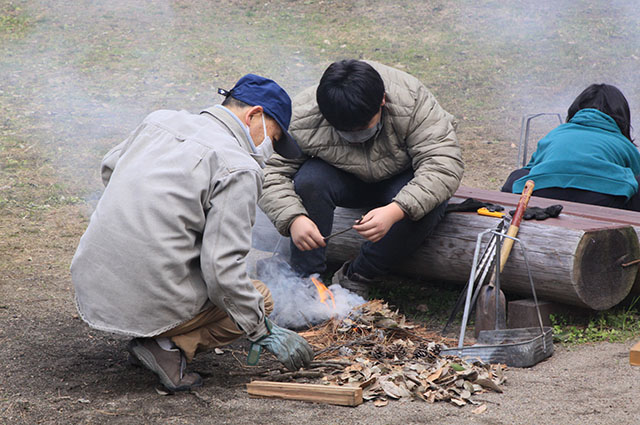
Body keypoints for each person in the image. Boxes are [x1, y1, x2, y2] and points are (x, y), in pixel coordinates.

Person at [71, 74, 314, 392]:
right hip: (146, 295)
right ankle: (167, 347)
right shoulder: (238, 166)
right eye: (273, 135)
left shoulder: (159, 121)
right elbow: (221, 271)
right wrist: (262, 330)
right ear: (254, 115)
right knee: (261, 297)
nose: (270, 148)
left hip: (91, 284)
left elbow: (109, 169)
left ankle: (152, 330)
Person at [258, 59, 464, 297]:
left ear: (383, 100)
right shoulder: (305, 114)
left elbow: (443, 164)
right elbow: (269, 172)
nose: (356, 136)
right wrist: (293, 219)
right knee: (309, 181)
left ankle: (357, 275)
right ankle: (306, 280)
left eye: (364, 127)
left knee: (430, 201)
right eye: (345, 131)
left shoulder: (412, 100)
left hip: (400, 180)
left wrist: (396, 210)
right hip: (344, 179)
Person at [502, 83, 640, 211]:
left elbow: (530, 169)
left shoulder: (556, 133)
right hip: (602, 201)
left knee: (519, 175)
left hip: (544, 195)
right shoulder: (622, 143)